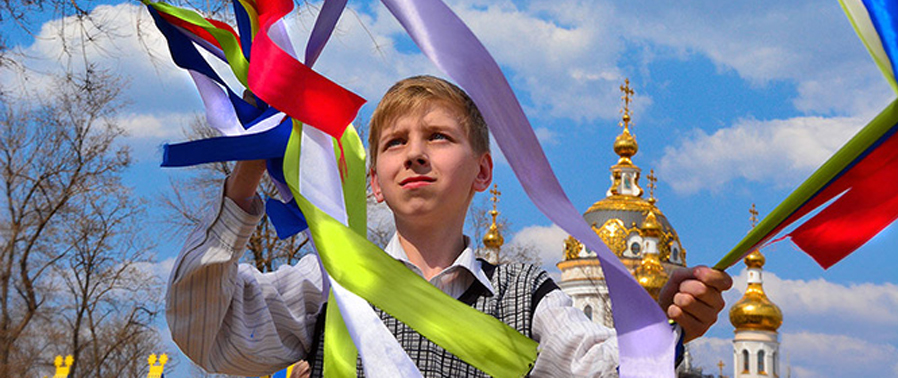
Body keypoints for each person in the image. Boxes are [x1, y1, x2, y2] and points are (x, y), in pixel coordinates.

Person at [167, 76, 731, 377]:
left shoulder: (526, 295)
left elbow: (600, 370)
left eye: (438, 137)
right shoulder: (331, 284)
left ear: (482, 171)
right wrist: (247, 170)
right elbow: (210, 335)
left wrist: (660, 327)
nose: (415, 154)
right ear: (374, 181)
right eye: (395, 142)